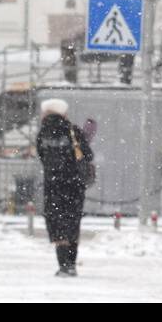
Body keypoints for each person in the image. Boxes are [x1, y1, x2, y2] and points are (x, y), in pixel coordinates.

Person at [35, 99, 94, 277]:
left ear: (46, 114)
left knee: (57, 223)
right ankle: (72, 265)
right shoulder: (74, 131)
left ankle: (63, 265)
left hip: (53, 186)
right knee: (72, 223)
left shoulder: (42, 134)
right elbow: (88, 155)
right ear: (63, 114)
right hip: (74, 185)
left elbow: (42, 157)